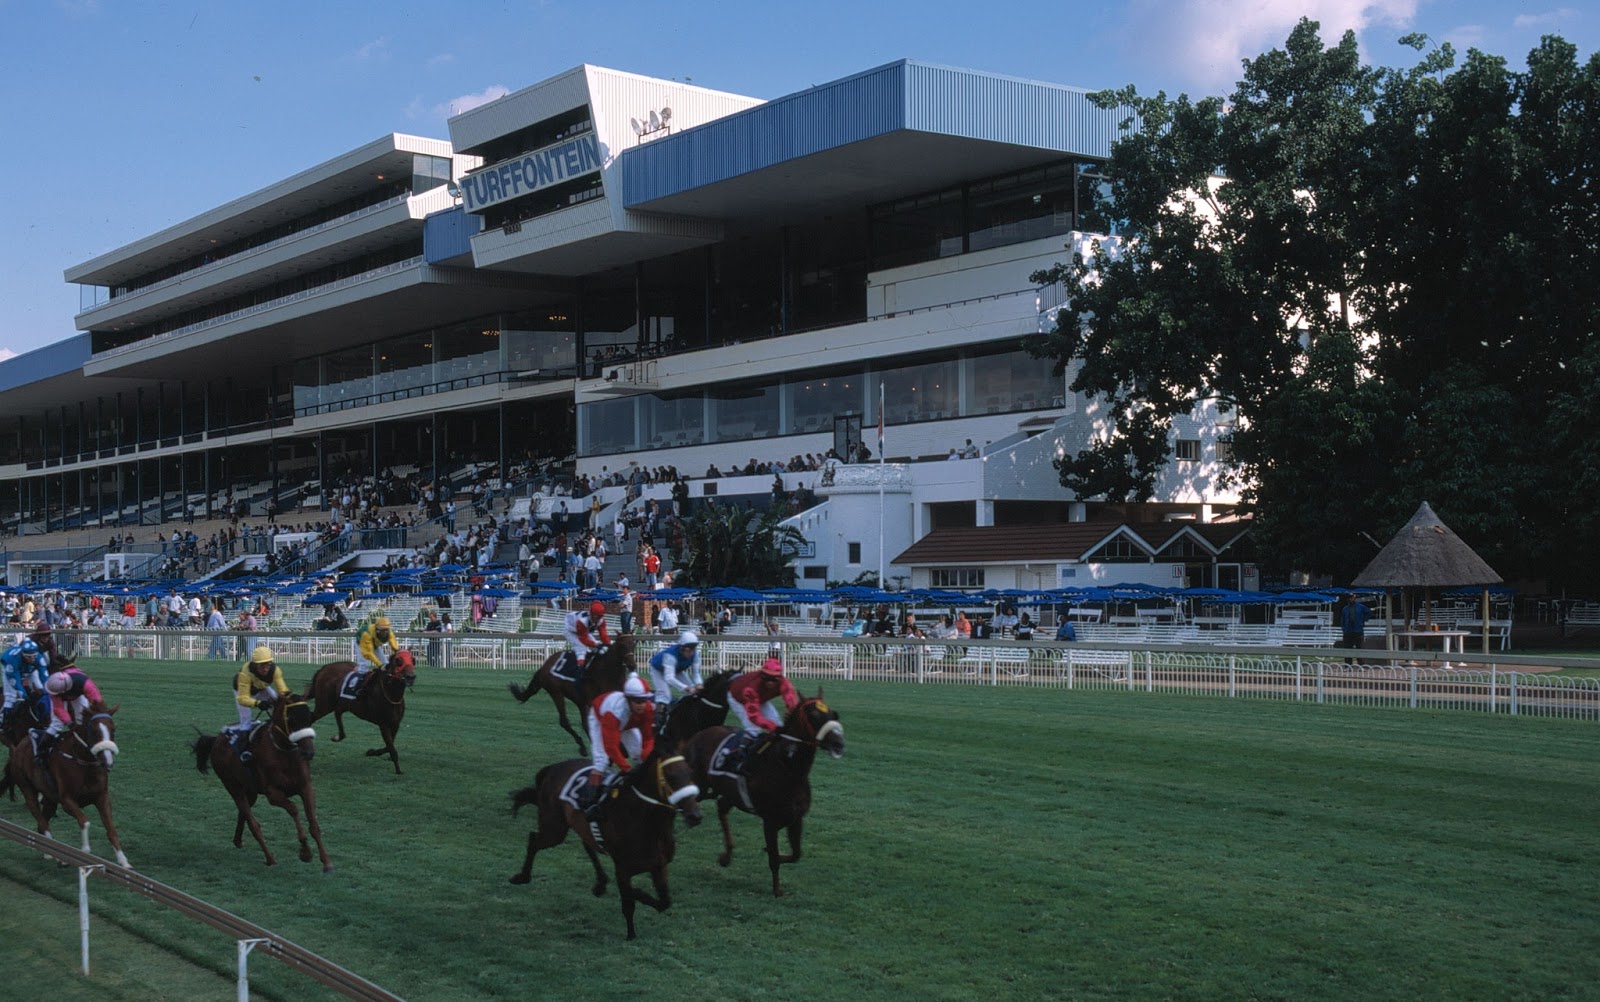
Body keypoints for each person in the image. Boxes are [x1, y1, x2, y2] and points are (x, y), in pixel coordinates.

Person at [581, 673, 656, 812]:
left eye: (644, 700)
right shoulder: (614, 712)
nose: (642, 705)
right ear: (628, 700)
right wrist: (626, 769)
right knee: (601, 761)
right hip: (600, 718)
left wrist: (646, 757)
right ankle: (590, 800)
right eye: (638, 701)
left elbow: (648, 738)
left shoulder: (648, 708)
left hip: (626, 723)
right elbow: (611, 747)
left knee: (640, 755)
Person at [227, 646, 290, 762]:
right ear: (255, 664)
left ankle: (281, 736)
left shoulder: (275, 670)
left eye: (268, 664)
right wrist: (258, 703)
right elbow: (243, 698)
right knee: (246, 721)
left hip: (261, 687)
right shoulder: (245, 673)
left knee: (279, 706)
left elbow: (283, 692)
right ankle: (244, 752)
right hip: (242, 692)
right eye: (262, 665)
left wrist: (288, 698)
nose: (265, 669)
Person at [728, 657, 800, 743]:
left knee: (777, 723)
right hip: (737, 697)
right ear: (762, 676)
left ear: (780, 678)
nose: (770, 682)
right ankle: (741, 752)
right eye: (767, 678)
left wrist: (792, 711)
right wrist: (772, 727)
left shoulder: (784, 683)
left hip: (759, 698)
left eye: (774, 679)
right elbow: (754, 717)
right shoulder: (751, 688)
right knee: (753, 728)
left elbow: (792, 703)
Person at [648, 630, 702, 712]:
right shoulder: (671, 655)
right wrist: (686, 688)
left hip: (677, 669)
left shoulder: (695, 655)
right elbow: (669, 678)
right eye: (688, 649)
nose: (691, 652)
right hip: (658, 669)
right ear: (681, 648)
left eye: (693, 649)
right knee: (664, 695)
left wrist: (699, 684)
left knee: (693, 692)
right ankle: (657, 718)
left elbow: (696, 673)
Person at [1, 638, 47, 731]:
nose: (32, 659)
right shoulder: (12, 661)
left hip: (30, 670)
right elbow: (16, 682)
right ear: (23, 654)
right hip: (12, 670)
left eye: (33, 656)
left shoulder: (39, 658)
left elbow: (44, 676)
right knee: (11, 696)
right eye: (29, 657)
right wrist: (24, 694)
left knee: (41, 690)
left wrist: (47, 691)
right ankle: (4, 721)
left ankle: (40, 715)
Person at [563, 600, 612, 672]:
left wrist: (609, 645)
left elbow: (603, 635)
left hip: (584, 631)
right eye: (595, 616)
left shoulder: (601, 621)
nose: (597, 619)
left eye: (599, 617)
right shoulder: (582, 621)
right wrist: (595, 644)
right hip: (570, 631)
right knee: (581, 648)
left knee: (601, 649)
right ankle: (579, 671)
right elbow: (582, 639)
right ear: (591, 614)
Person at [356, 615, 399, 685]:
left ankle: (385, 681)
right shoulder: (367, 634)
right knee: (364, 665)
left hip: (375, 644)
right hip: (361, 642)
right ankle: (358, 684)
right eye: (383, 630)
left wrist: (398, 654)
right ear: (377, 629)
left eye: (386, 630)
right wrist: (380, 665)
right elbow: (368, 653)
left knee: (385, 663)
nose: (385, 632)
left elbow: (394, 646)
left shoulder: (389, 632)